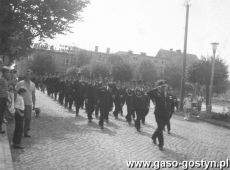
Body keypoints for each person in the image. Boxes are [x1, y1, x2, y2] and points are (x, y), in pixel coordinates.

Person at [147, 80, 173, 151]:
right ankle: (161, 145)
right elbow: (148, 93)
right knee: (160, 128)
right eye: (163, 86)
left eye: (165, 86)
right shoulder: (156, 93)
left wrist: (170, 112)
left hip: (166, 115)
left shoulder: (168, 94)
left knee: (160, 128)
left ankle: (153, 136)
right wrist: (156, 88)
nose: (164, 88)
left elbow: (170, 104)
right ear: (160, 87)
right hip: (158, 114)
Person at [16, 69, 36, 137]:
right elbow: (16, 92)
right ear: (25, 75)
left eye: (29, 74)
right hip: (21, 104)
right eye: (26, 74)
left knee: (28, 119)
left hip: (29, 104)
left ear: (31, 75)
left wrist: (34, 104)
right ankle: (20, 132)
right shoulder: (20, 83)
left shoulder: (33, 84)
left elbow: (33, 95)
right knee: (21, 118)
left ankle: (26, 132)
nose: (27, 75)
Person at [0, 66, 11, 134]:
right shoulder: (1, 80)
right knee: (1, 114)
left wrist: (7, 98)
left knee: (2, 114)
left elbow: (5, 90)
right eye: (7, 72)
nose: (9, 73)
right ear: (4, 72)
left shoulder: (4, 79)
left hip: (4, 98)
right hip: (1, 99)